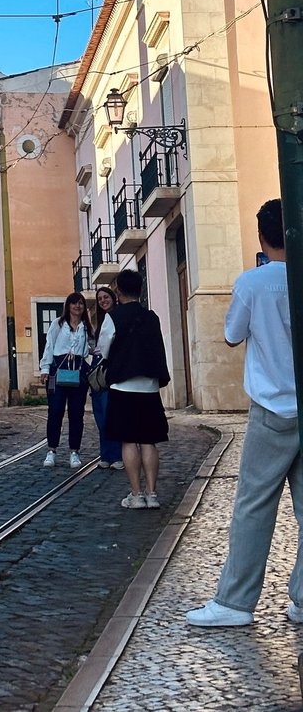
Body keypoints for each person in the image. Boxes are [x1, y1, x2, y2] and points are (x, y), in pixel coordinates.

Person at [186, 198, 303, 628]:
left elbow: (232, 334)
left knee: (254, 505)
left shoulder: (252, 284)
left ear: (261, 236)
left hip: (272, 407)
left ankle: (235, 602)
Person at [97, 268, 169, 509]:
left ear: (118, 291)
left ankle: (136, 494)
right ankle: (152, 493)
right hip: (148, 387)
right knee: (148, 441)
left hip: (122, 386)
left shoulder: (112, 318)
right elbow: (158, 350)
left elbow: (103, 351)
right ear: (140, 289)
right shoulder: (152, 317)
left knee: (129, 441)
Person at [39, 293, 93, 468]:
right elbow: (49, 346)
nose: (77, 306)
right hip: (57, 370)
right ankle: (51, 450)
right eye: (74, 303)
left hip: (78, 371)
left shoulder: (86, 327)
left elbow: (92, 349)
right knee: (55, 411)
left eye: (80, 304)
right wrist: (45, 369)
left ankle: (74, 452)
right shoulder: (58, 324)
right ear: (68, 306)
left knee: (76, 414)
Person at [89, 286, 123, 471]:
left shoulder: (118, 317)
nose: (103, 301)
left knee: (111, 415)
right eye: (100, 299)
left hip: (110, 374)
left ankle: (117, 455)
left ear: (113, 298)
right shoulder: (100, 321)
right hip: (98, 375)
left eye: (105, 297)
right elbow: (99, 347)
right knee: (100, 417)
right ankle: (105, 455)